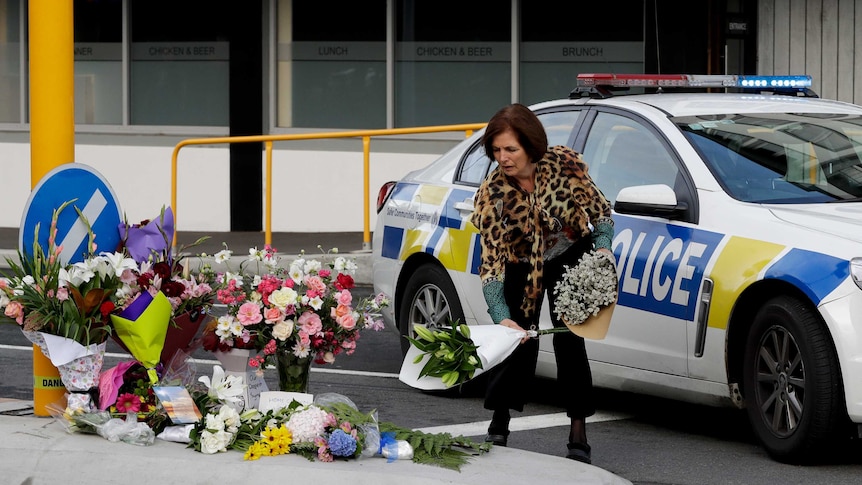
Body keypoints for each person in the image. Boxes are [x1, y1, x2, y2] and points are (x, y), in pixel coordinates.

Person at [470, 103, 614, 464]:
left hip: (571, 255)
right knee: (516, 340)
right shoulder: (493, 194)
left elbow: (601, 214)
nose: (502, 158)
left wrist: (603, 252)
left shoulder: (564, 166)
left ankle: (578, 430)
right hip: (521, 264)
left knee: (570, 340)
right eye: (496, 150)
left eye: (510, 149)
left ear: (531, 146)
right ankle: (499, 420)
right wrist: (500, 313)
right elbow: (491, 264)